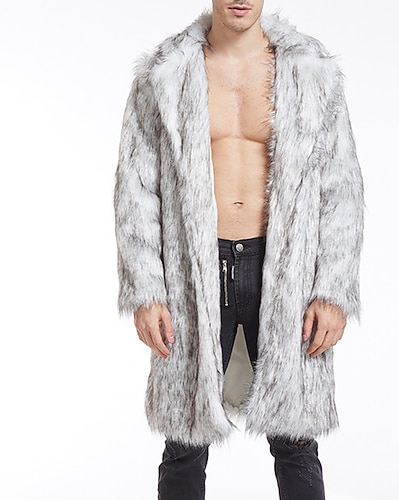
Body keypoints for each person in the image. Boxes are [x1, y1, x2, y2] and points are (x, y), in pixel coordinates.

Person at [114, 1, 364, 498]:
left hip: (285, 271)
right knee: (185, 440)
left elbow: (341, 187)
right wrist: (146, 289)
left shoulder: (310, 73)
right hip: (191, 272)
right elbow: (136, 188)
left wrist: (333, 290)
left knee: (296, 439)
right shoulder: (165, 75)